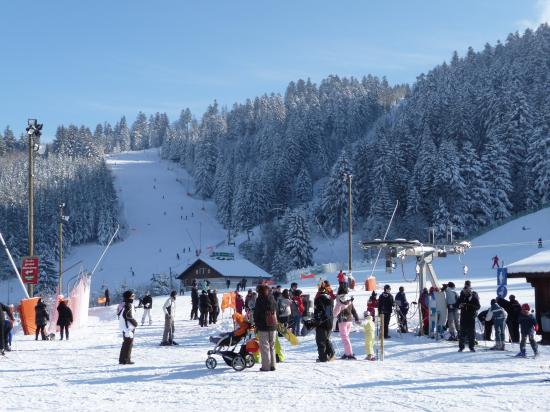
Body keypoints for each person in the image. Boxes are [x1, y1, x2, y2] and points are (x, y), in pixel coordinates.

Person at [254, 284, 278, 371]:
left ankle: (266, 367)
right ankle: (273, 365)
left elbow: (256, 313)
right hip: (273, 325)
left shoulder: (259, 299)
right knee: (272, 346)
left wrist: (256, 323)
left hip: (263, 326)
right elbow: (276, 309)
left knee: (265, 347)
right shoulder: (272, 298)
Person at [333, 286, 359, 359]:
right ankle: (347, 353)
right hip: (349, 321)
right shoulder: (349, 300)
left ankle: (350, 354)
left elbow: (335, 313)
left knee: (345, 338)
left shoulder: (339, 301)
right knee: (346, 337)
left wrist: (334, 314)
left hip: (343, 321)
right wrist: (356, 318)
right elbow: (353, 310)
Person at [313, 285, 335, 362]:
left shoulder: (319, 299)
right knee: (326, 339)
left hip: (321, 323)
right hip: (330, 322)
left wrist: (315, 321)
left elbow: (318, 312)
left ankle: (322, 357)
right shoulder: (331, 299)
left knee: (320, 341)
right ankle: (331, 353)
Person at [457, 285, 480, 352]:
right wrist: (459, 305)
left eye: (467, 290)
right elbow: (457, 304)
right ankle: (461, 347)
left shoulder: (474, 298)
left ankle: (471, 347)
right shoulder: (461, 297)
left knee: (471, 333)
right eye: (464, 290)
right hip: (463, 317)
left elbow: (478, 306)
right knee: (462, 333)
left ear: (469, 291)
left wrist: (469, 305)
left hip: (471, 317)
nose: (465, 292)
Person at [118, 290, 138, 364]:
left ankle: (122, 359)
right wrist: (135, 323)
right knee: (128, 343)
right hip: (128, 328)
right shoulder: (128, 305)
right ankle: (126, 359)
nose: (134, 297)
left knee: (126, 343)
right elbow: (127, 315)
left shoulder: (125, 304)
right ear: (129, 297)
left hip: (125, 327)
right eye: (132, 296)